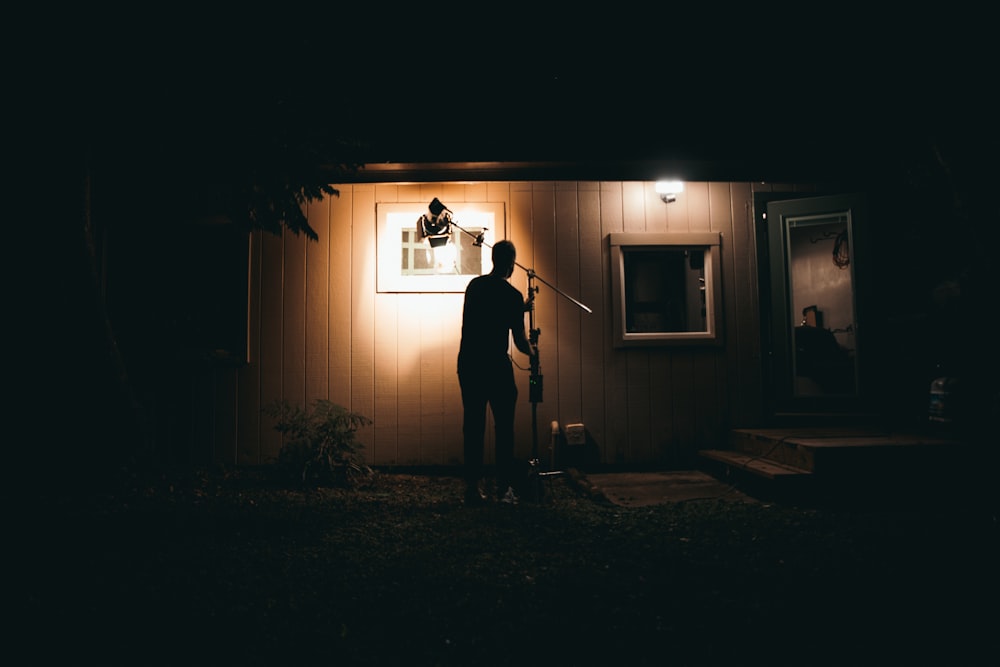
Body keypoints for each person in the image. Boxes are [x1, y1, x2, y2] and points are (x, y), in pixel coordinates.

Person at [457, 240, 536, 506]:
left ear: (493, 259)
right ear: (512, 263)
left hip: (469, 364)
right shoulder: (512, 297)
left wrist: (518, 308)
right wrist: (533, 353)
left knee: (473, 425)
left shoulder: (474, 287)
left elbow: (489, 311)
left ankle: (472, 488)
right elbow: (520, 342)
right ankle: (504, 489)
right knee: (504, 428)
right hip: (496, 367)